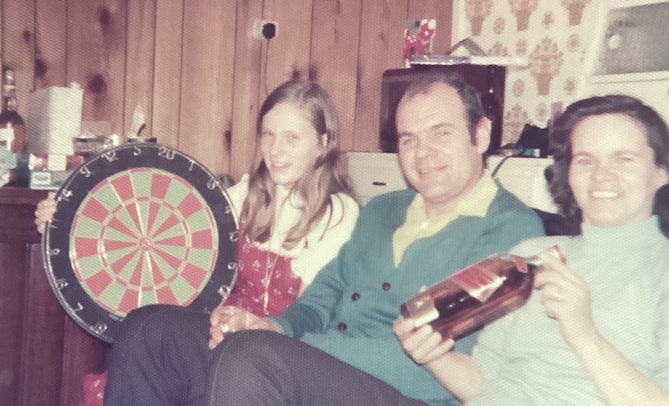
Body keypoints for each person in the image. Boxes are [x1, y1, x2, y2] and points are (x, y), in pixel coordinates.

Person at [202, 71, 545, 405]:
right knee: (160, 331)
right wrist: (275, 327)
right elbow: (323, 297)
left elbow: (452, 361)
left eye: (441, 134)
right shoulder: (382, 210)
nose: (422, 153)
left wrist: (294, 345)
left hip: (410, 392)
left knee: (250, 356)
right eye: (408, 139)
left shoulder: (511, 230)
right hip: (324, 369)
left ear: (481, 135)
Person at [34, 79, 360, 405]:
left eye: (292, 138)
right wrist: (65, 218)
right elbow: (155, 231)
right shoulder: (248, 194)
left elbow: (315, 314)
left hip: (283, 354)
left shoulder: (339, 214)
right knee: (143, 325)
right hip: (226, 335)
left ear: (323, 142)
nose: (275, 150)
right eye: (268, 134)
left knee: (168, 344)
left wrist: (254, 327)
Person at [394, 94, 669, 405]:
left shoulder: (661, 274)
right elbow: (482, 383)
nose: (601, 175)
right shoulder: (529, 256)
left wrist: (582, 332)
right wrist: (433, 355)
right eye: (585, 160)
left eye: (624, 159)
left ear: (662, 172)